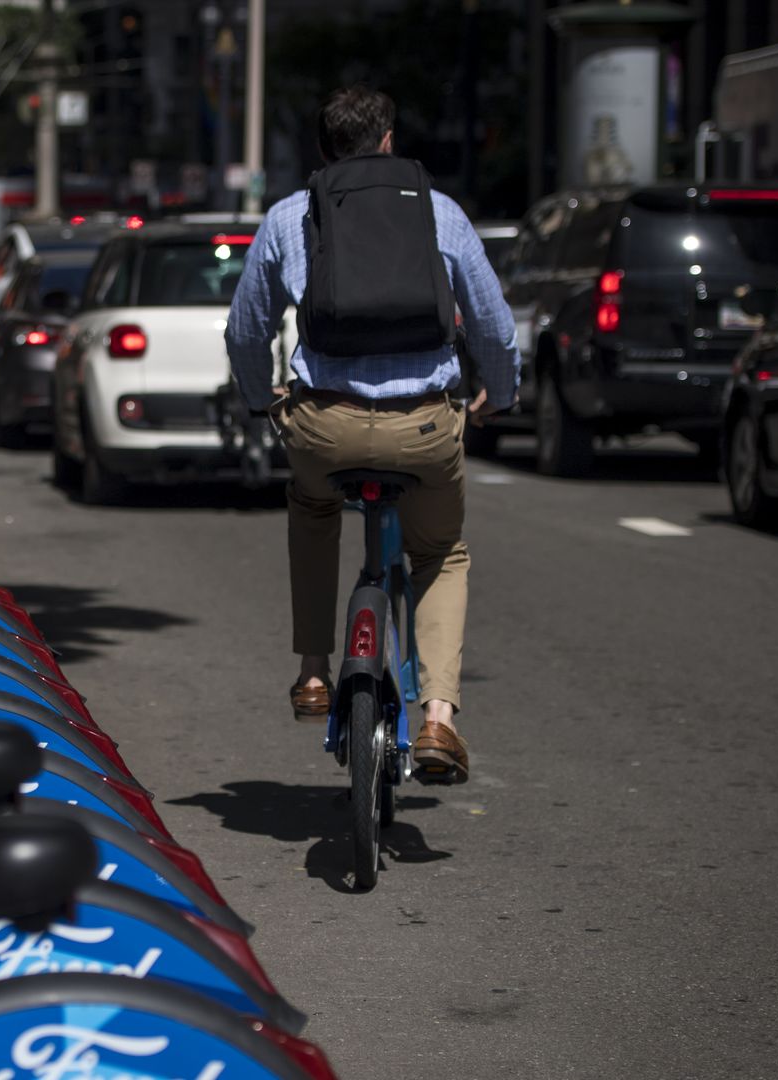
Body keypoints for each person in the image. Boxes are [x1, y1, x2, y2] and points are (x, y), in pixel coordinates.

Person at [223, 85, 519, 784]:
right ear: (389, 140)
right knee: (439, 552)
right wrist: (497, 395)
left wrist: (254, 397)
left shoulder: (291, 217)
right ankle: (440, 719)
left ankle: (315, 671)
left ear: (324, 151)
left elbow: (245, 330)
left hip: (324, 426)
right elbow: (494, 328)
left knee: (315, 507)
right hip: (424, 424)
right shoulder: (440, 214)